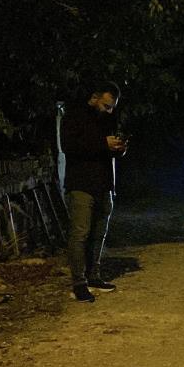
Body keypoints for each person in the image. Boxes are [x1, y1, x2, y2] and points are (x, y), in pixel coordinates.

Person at [61, 81, 127, 302]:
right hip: (81, 184)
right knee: (80, 234)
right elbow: (70, 147)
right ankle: (79, 283)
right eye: (106, 106)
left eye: (112, 107)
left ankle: (94, 276)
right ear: (94, 97)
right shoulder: (73, 117)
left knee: (99, 233)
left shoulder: (108, 119)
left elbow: (107, 149)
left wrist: (119, 149)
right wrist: (103, 144)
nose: (109, 111)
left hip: (104, 184)